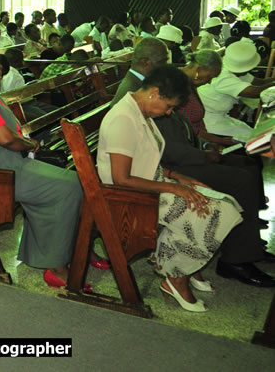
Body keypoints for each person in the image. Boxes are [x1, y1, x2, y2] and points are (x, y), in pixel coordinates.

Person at [98, 66, 242, 312]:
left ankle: (185, 264)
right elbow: (121, 178)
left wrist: (179, 178)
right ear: (154, 93)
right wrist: (172, 188)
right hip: (130, 196)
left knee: (227, 202)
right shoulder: (123, 118)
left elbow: (146, 159)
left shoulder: (140, 112)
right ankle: (176, 276)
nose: (169, 112)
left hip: (146, 184)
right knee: (213, 212)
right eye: (169, 106)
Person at [0, 43, 88, 288]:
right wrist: (29, 145)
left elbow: (9, 134)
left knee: (72, 179)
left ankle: (56, 251)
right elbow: (5, 139)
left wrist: (26, 144)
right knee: (70, 187)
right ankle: (57, 267)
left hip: (10, 165)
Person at [154, 50, 274, 287]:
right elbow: (169, 146)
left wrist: (213, 144)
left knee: (249, 164)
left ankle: (245, 242)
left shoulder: (184, 87)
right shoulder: (168, 92)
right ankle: (235, 261)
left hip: (192, 151)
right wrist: (205, 154)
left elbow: (191, 129)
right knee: (241, 180)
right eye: (209, 76)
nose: (210, 81)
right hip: (177, 164)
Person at [199, 39, 275, 140]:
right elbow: (255, 92)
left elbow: (260, 82)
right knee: (257, 140)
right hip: (211, 123)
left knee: (255, 135)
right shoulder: (224, 76)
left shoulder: (235, 70)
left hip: (221, 118)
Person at [110, 37, 169, 106]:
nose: (166, 66)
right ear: (145, 62)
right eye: (162, 62)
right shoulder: (133, 91)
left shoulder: (140, 82)